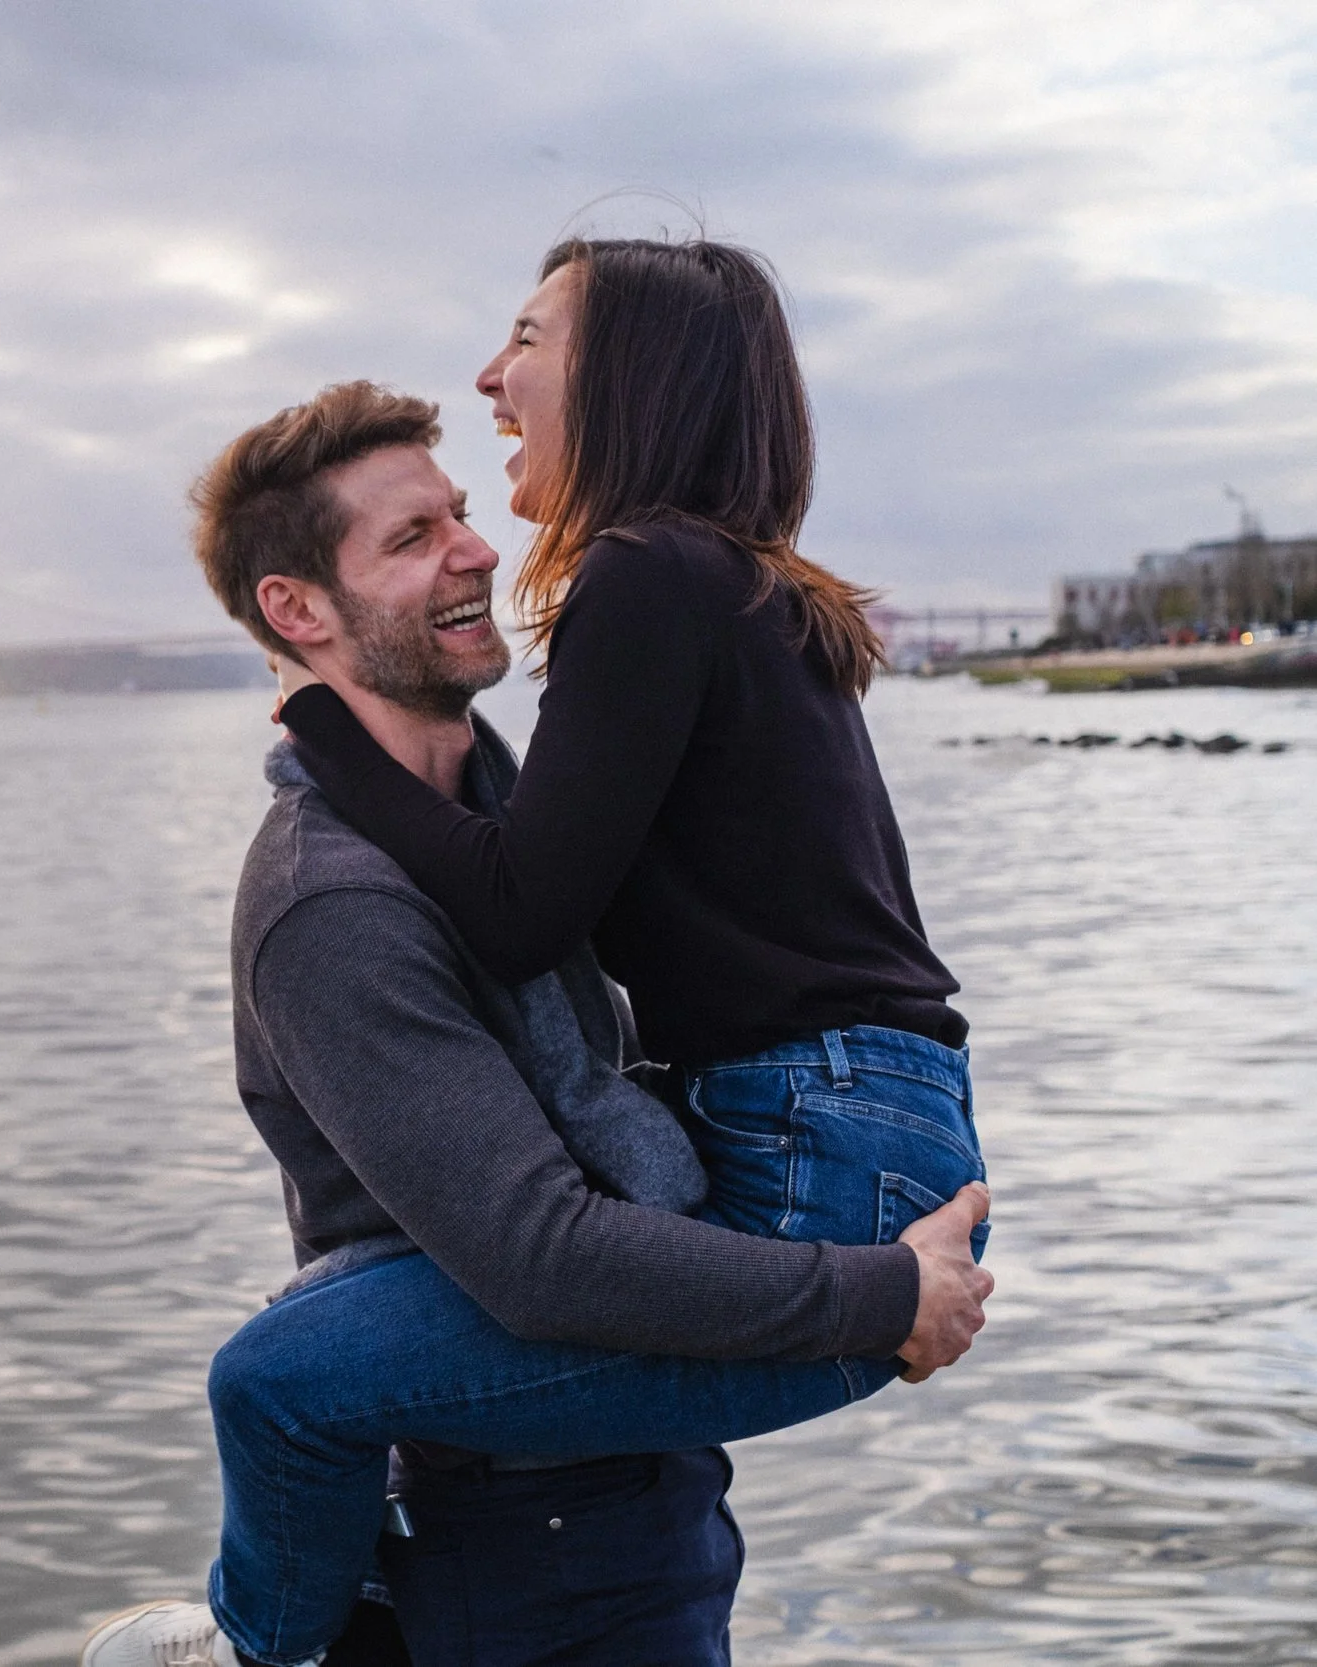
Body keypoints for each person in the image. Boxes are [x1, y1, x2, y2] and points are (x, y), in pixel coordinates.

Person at [80, 378, 991, 1667]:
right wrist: (877, 1292)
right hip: (512, 1550)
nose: (476, 550)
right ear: (297, 610)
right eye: (410, 539)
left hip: (644, 1504)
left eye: (458, 513)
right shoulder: (335, 904)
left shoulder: (522, 836)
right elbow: (542, 1251)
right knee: (273, 1384)